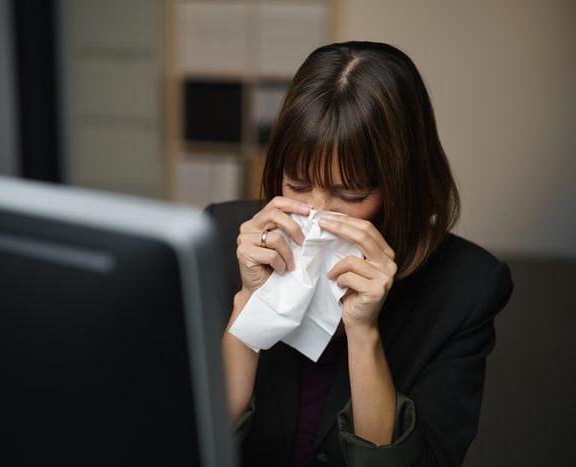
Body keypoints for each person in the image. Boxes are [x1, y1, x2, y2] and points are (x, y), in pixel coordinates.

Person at [206, 41, 513, 467]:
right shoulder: (222, 236)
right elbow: (188, 438)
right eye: (296, 184)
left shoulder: (466, 289)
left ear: (402, 188)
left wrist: (364, 334)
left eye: (349, 194)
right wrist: (248, 304)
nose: (316, 211)